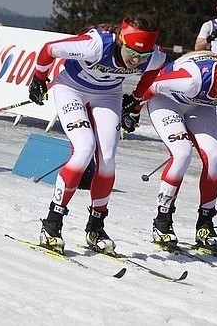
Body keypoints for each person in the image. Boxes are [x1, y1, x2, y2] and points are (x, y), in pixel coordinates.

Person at [29, 14, 167, 255]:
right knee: (84, 149)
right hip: (71, 89)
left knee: (108, 159)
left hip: (108, 96)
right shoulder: (95, 45)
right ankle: (52, 224)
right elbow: (48, 49)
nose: (136, 60)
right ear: (121, 41)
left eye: (142, 55)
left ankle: (96, 227)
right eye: (132, 52)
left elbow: (153, 71)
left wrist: (135, 100)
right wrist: (39, 79)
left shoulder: (153, 56)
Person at [123, 51, 217, 250]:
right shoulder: (192, 80)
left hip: (200, 107)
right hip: (167, 101)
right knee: (182, 153)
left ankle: (205, 224)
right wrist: (133, 110)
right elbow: (154, 85)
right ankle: (162, 221)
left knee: (214, 157)